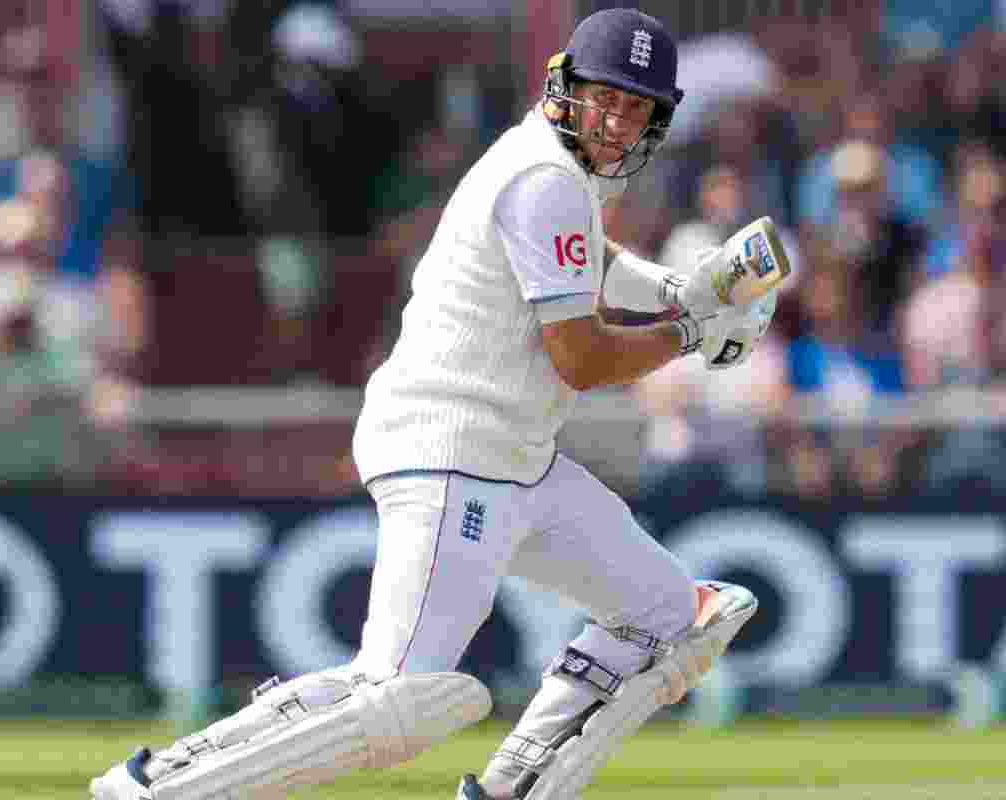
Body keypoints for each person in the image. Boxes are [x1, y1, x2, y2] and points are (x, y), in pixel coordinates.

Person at [90, 10, 779, 800]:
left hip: (517, 461)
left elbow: (596, 259)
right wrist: (690, 329)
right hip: (454, 452)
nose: (617, 119)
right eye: (605, 97)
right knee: (397, 701)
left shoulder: (561, 172)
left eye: (637, 107)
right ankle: (160, 787)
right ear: (565, 86)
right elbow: (582, 359)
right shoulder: (543, 178)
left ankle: (513, 790)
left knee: (671, 617)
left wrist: (678, 292)